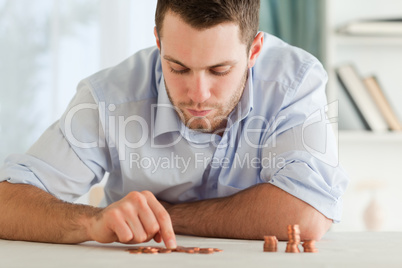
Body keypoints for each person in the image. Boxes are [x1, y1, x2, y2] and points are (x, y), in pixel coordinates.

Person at [0, 0, 348, 249]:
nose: (198, 95)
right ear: (158, 41)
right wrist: (94, 221)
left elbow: (308, 212)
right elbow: (7, 203)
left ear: (254, 51)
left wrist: (163, 217)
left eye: (219, 70)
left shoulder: (294, 81)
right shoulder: (109, 97)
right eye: (178, 68)